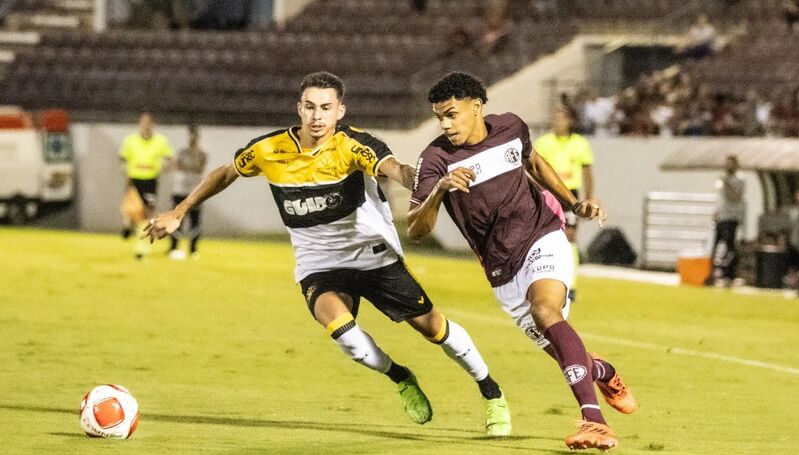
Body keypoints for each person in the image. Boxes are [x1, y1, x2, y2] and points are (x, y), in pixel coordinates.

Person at [143, 71, 512, 435]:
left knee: (433, 328)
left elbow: (394, 169)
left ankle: (489, 389)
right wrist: (179, 211)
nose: (317, 116)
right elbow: (226, 172)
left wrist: (429, 181)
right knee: (346, 336)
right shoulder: (270, 149)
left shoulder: (353, 146)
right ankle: (400, 376)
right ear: (299, 109)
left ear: (340, 111)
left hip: (372, 255)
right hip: (318, 265)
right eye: (309, 107)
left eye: (325, 107)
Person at [408, 72, 636, 451]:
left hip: (542, 235)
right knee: (561, 351)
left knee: (546, 310)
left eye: (451, 114)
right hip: (501, 271)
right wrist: (439, 190)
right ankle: (602, 371)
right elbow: (416, 228)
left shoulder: (511, 127)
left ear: (476, 106)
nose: (446, 125)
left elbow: (535, 164)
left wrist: (572, 204)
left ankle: (594, 422)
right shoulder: (435, 159)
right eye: (439, 118)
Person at [533, 106, 595, 302]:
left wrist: (589, 197)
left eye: (561, 118)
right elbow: (534, 170)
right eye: (555, 118)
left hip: (570, 195)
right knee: (543, 238)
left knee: (570, 237)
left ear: (569, 121)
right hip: (548, 195)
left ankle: (571, 284)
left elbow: (586, 172)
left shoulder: (580, 143)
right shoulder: (543, 143)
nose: (557, 122)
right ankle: (542, 280)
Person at [119, 112, 173, 259]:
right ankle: (127, 226)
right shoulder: (130, 140)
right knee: (130, 211)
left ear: (153, 125)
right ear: (140, 124)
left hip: (150, 180)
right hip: (134, 180)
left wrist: (167, 165)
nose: (146, 126)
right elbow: (123, 158)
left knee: (147, 214)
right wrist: (126, 172)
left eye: (149, 123)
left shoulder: (161, 141)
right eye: (144, 123)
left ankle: (141, 248)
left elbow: (169, 158)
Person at [168, 124, 207, 260]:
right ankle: (173, 248)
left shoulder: (202, 153)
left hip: (195, 192)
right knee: (176, 220)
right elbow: (176, 165)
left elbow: (199, 167)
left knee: (195, 221)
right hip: (180, 190)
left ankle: (193, 249)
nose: (192, 138)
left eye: (195, 136)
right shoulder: (181, 152)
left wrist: (195, 151)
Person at [708, 155, 746, 286]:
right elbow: (721, 199)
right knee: (714, 246)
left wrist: (727, 183)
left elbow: (735, 197)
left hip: (732, 217)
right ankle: (711, 273)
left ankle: (729, 274)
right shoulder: (722, 179)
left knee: (730, 247)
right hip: (721, 217)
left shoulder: (739, 179)